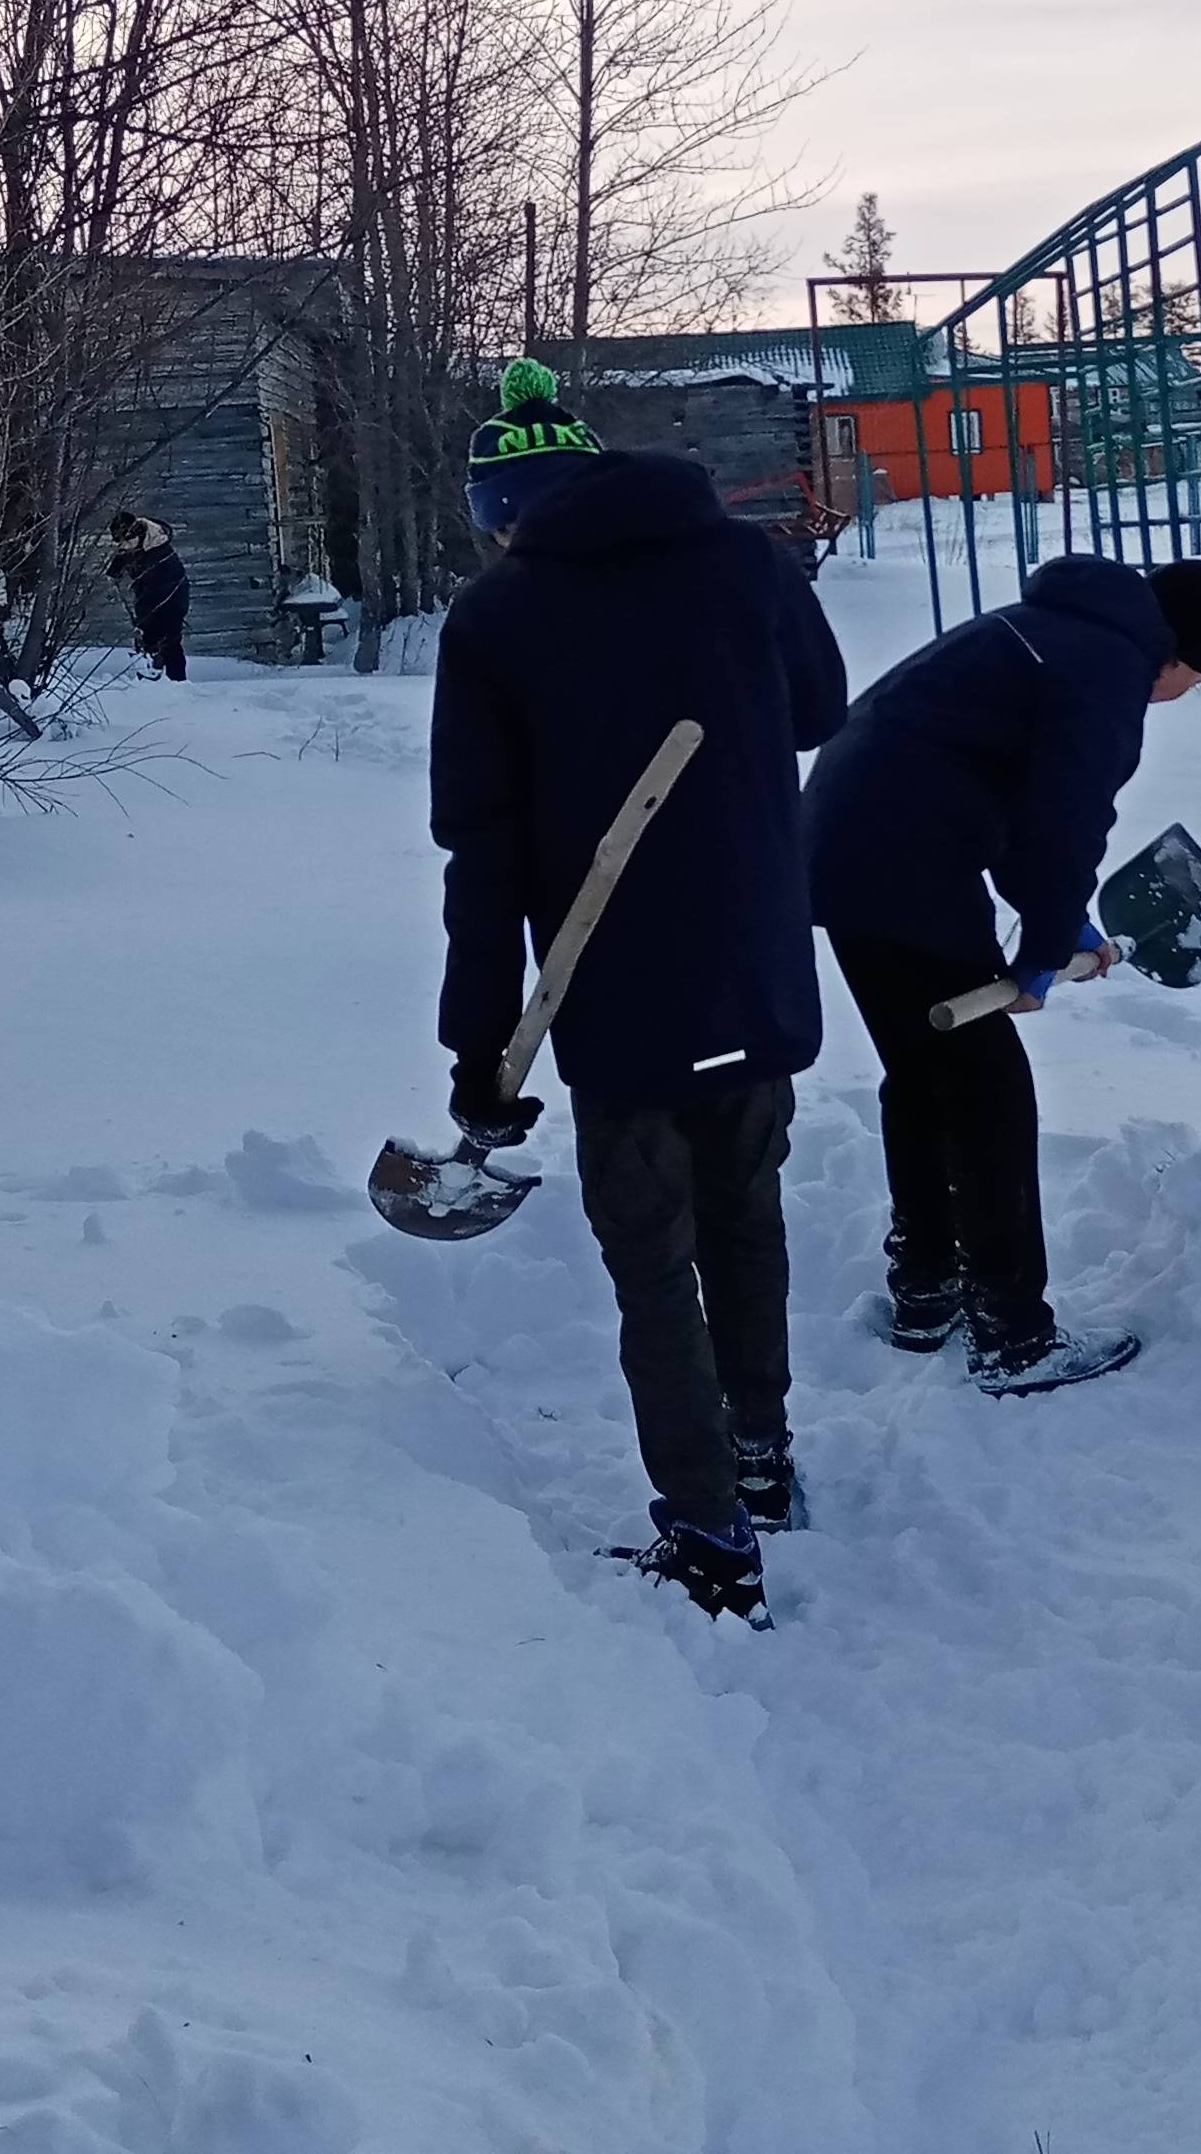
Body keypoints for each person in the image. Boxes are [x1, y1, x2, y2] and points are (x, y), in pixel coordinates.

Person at [431, 360, 849, 1625]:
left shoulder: (496, 622)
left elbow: (482, 852)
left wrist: (480, 1048)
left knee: (654, 1261)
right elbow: (819, 707)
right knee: (746, 1214)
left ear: (504, 511)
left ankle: (712, 1534)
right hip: (756, 968)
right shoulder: (745, 563)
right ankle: (760, 1455)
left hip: (617, 1003)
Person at [804, 552, 1201, 1395]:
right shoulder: (1107, 670)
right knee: (987, 1093)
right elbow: (1066, 817)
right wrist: (1044, 945)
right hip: (901, 857)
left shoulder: (1052, 631)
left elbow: (1001, 792)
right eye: (1194, 680)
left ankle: (926, 1290)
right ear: (1183, 659)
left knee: (924, 1072)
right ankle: (1012, 1335)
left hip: (845, 840)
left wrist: (1061, 924)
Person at [107, 514, 188, 681]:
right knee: (145, 638)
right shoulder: (132, 545)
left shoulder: (159, 551)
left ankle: (178, 682)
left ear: (136, 534)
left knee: (169, 639)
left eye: (126, 541)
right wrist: (113, 574)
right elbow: (122, 559)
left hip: (172, 597)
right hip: (146, 597)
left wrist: (144, 617)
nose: (124, 546)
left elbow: (154, 588)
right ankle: (147, 680)